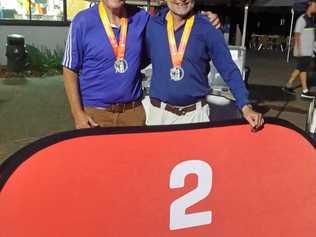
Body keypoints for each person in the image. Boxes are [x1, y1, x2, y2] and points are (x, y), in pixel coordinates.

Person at [62, 0, 220, 129]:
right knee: (98, 166)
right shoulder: (82, 21)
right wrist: (78, 114)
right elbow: (69, 69)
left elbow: (170, 18)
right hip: (96, 114)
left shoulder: (141, 17)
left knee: (135, 167)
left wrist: (203, 17)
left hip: (133, 113)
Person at [145, 0, 264, 130]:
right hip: (159, 116)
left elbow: (228, 68)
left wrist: (246, 106)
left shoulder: (208, 27)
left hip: (195, 116)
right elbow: (136, 58)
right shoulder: (153, 25)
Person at [282, 0, 316, 99]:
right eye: (315, 5)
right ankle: (303, 91)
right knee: (302, 69)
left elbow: (311, 35)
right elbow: (296, 35)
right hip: (303, 51)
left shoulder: (311, 19)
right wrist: (297, 50)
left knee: (301, 69)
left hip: (308, 51)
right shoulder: (302, 19)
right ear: (309, 6)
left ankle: (290, 86)